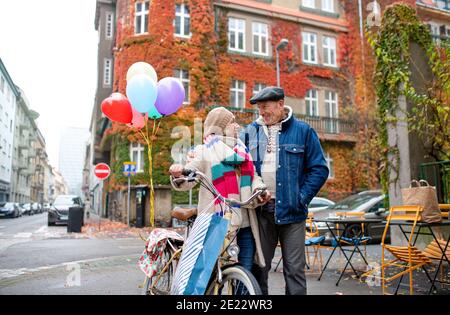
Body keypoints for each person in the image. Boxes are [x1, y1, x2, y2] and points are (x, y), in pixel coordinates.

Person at [240, 86, 329, 295]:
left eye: (265, 107)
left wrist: (301, 198)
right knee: (259, 269)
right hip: (261, 213)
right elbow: (240, 165)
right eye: (259, 108)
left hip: (293, 213)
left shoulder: (303, 131)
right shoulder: (249, 133)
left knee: (295, 271)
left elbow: (319, 169)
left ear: (281, 104)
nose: (261, 112)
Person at [169, 107, 271, 273]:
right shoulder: (204, 151)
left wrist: (260, 189)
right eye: (232, 122)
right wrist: (179, 172)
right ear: (220, 127)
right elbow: (189, 176)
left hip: (244, 225)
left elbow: (255, 178)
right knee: (211, 276)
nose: (237, 126)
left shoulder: (243, 152)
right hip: (216, 224)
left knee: (243, 276)